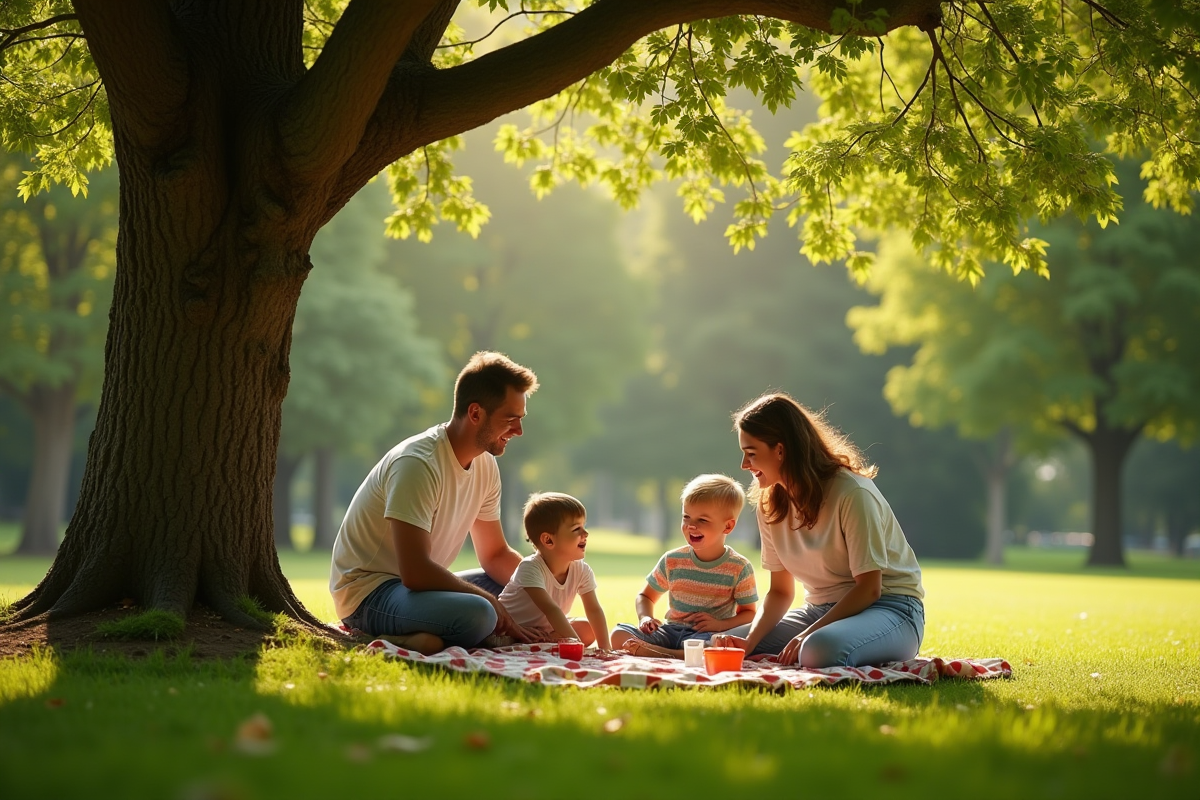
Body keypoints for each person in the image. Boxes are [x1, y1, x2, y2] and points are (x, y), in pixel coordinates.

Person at [329, 351, 540, 655]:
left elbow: (494, 555)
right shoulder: (418, 463)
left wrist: (544, 590)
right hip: (371, 594)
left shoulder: (486, 465)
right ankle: (368, 636)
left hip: (418, 590)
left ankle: (430, 637)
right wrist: (492, 603)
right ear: (476, 413)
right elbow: (415, 571)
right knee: (480, 612)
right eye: (510, 419)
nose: (518, 431)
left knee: (525, 593)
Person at [711, 392, 925, 669]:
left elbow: (869, 589)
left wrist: (807, 634)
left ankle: (826, 643)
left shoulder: (852, 493)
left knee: (816, 650)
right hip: (820, 612)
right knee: (724, 643)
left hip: (890, 609)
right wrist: (750, 641)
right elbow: (780, 592)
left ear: (780, 449)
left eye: (751, 454)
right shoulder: (769, 503)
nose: (744, 465)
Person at [610, 474, 758, 658]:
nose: (691, 525)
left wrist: (720, 626)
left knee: (717, 647)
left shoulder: (739, 567)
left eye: (702, 520)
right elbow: (645, 596)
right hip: (669, 632)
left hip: (707, 635)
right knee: (619, 635)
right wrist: (645, 617)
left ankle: (663, 655)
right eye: (686, 517)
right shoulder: (673, 560)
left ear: (727, 526)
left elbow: (749, 614)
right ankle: (676, 654)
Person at [496, 492, 611, 650]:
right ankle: (532, 641)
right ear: (548, 540)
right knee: (498, 638)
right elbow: (551, 610)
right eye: (576, 529)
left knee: (587, 628)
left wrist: (606, 649)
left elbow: (594, 609)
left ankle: (543, 641)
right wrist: (577, 646)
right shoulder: (530, 567)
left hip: (545, 629)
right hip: (511, 630)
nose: (585, 534)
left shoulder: (581, 569)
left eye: (584, 526)